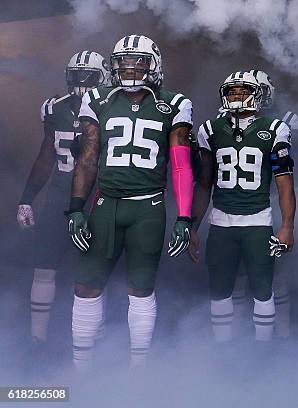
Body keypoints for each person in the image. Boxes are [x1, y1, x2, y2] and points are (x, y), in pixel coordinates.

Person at [66, 34, 194, 370]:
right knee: (86, 284)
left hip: (147, 208)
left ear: (154, 64)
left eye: (137, 60)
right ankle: (82, 367)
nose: (129, 67)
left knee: (141, 287)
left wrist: (184, 217)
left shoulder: (175, 103)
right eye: (123, 61)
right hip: (106, 205)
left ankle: (139, 370)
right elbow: (88, 157)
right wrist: (77, 207)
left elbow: (181, 163)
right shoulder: (97, 98)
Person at [190, 71, 296, 343]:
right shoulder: (210, 129)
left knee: (263, 290)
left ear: (257, 94)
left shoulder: (274, 129)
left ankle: (264, 350)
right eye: (232, 92)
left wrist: (287, 226)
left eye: (243, 91)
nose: (236, 97)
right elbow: (204, 184)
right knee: (219, 290)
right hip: (221, 223)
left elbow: (284, 182)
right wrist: (192, 226)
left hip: (258, 223)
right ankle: (223, 349)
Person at [17, 50, 109, 353]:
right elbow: (46, 158)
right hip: (59, 195)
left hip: (96, 198)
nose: (81, 83)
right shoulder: (54, 109)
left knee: (94, 271)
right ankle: (37, 340)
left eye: (88, 77)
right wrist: (27, 199)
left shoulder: (111, 108)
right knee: (44, 266)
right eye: (77, 76)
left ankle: (92, 337)